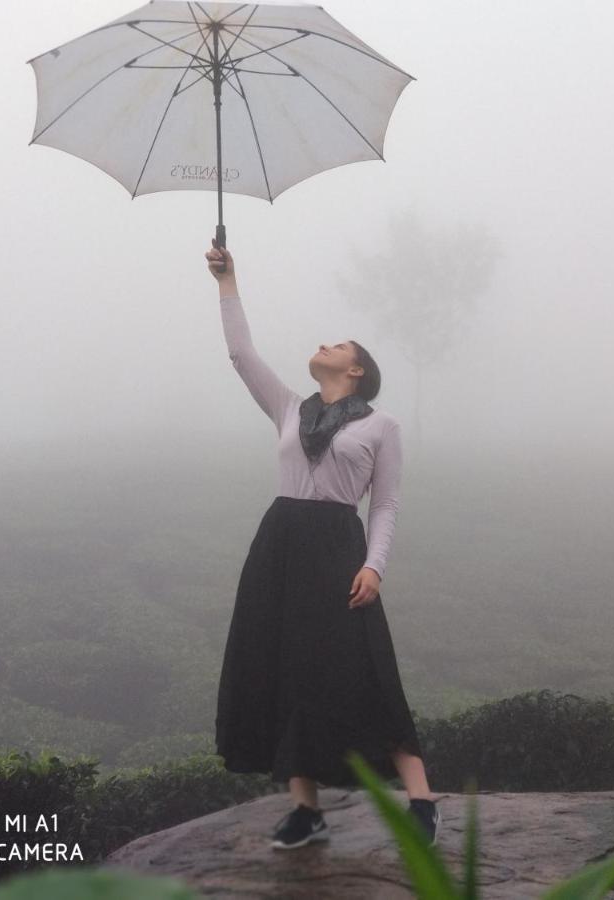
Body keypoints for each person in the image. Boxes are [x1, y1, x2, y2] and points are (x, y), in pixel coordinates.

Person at [206, 238, 441, 851]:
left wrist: (375, 566)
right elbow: (239, 352)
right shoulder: (290, 408)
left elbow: (385, 503)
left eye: (338, 345)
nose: (324, 345)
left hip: (340, 546)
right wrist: (227, 281)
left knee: (366, 668)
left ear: (356, 369)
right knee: (286, 670)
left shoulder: (380, 425)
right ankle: (306, 811)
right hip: (280, 544)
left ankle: (420, 799)